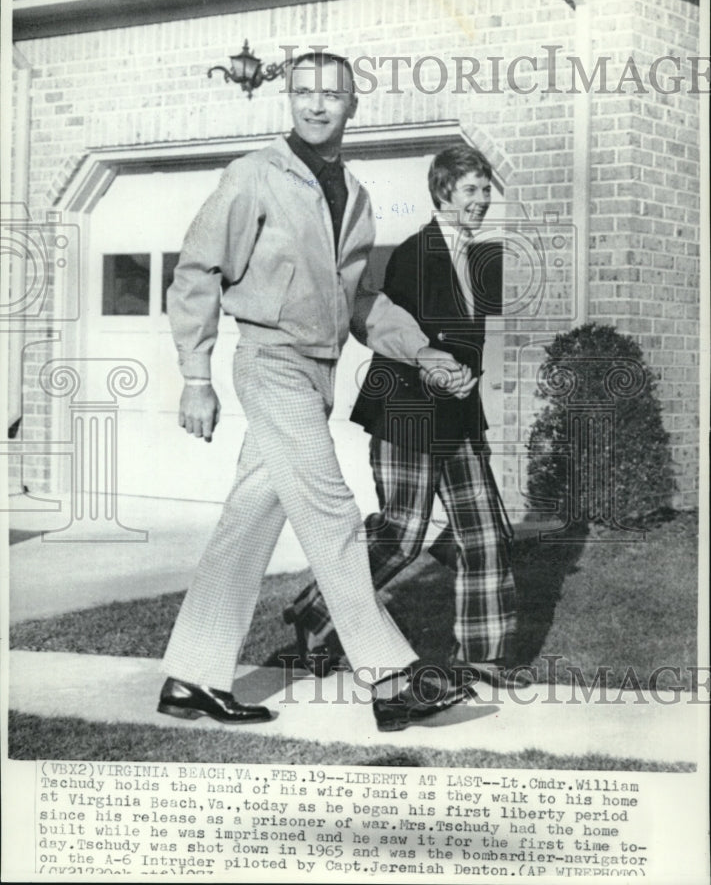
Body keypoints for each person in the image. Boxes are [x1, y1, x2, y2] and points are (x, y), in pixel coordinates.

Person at [157, 51, 475, 733]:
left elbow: (361, 300)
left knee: (247, 525)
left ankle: (190, 677)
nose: (315, 104)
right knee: (332, 513)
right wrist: (194, 375)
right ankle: (390, 678)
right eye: (302, 92)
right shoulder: (252, 177)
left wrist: (423, 351)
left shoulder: (353, 194)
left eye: (331, 94)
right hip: (270, 363)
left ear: (353, 104)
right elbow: (197, 271)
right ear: (289, 100)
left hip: (316, 372)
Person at [284, 144, 525, 691]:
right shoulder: (417, 254)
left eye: (486, 189)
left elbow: (464, 344)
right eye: (470, 190)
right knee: (401, 533)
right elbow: (399, 339)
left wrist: (468, 383)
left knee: (485, 535)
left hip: (458, 414)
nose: (482, 199)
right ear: (443, 193)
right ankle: (315, 618)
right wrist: (443, 372)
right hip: (408, 411)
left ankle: (480, 660)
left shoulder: (479, 258)